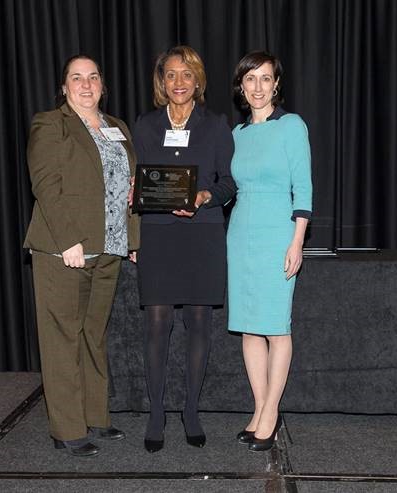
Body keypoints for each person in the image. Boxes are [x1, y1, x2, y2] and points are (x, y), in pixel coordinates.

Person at [23, 54, 140, 456]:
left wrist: (133, 239)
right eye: (77, 78)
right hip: (64, 251)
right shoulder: (50, 124)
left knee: (94, 334)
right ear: (64, 87)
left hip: (109, 247)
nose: (86, 84)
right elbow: (45, 184)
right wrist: (67, 240)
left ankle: (95, 415)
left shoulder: (117, 128)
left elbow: (129, 189)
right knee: (62, 338)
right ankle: (67, 428)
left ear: (102, 85)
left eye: (93, 77)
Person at [132, 45, 236, 453]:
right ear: (162, 81)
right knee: (157, 325)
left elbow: (229, 182)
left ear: (198, 81)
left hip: (202, 233)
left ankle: (191, 410)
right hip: (158, 232)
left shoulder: (216, 124)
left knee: (199, 324)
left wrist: (207, 195)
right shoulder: (145, 125)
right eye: (171, 74)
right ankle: (156, 413)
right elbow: (137, 182)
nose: (179, 82)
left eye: (186, 74)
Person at [227, 51, 312, 452]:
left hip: (278, 231)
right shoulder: (238, 134)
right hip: (241, 232)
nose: (258, 87)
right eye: (250, 79)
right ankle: (259, 409)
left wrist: (297, 240)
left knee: (276, 327)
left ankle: (271, 412)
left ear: (276, 83)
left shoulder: (291, 126)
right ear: (241, 87)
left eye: (265, 79)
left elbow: (304, 187)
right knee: (248, 326)